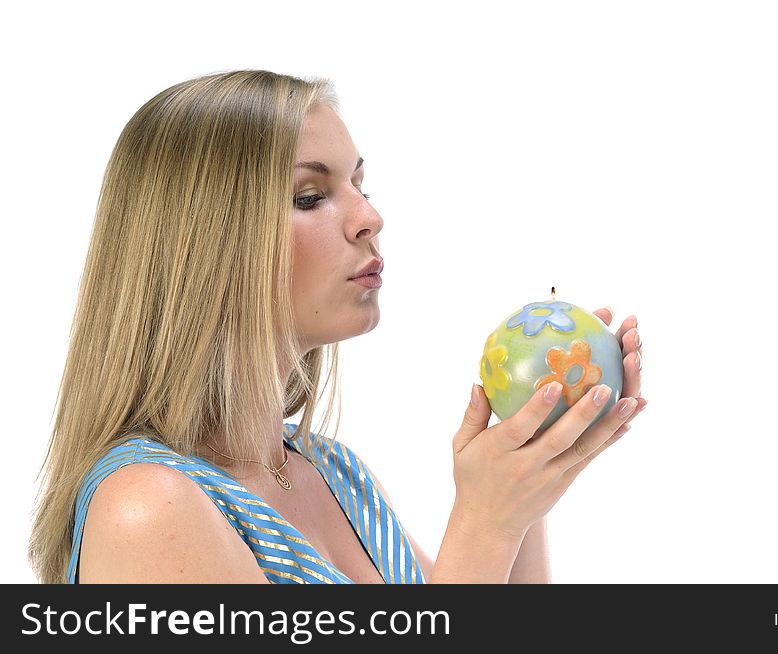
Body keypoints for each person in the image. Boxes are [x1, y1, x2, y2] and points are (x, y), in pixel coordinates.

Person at [27, 69, 647, 584]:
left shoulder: (333, 473)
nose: (369, 217)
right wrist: (486, 524)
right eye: (308, 195)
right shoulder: (145, 510)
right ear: (203, 246)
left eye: (358, 183)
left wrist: (529, 471)